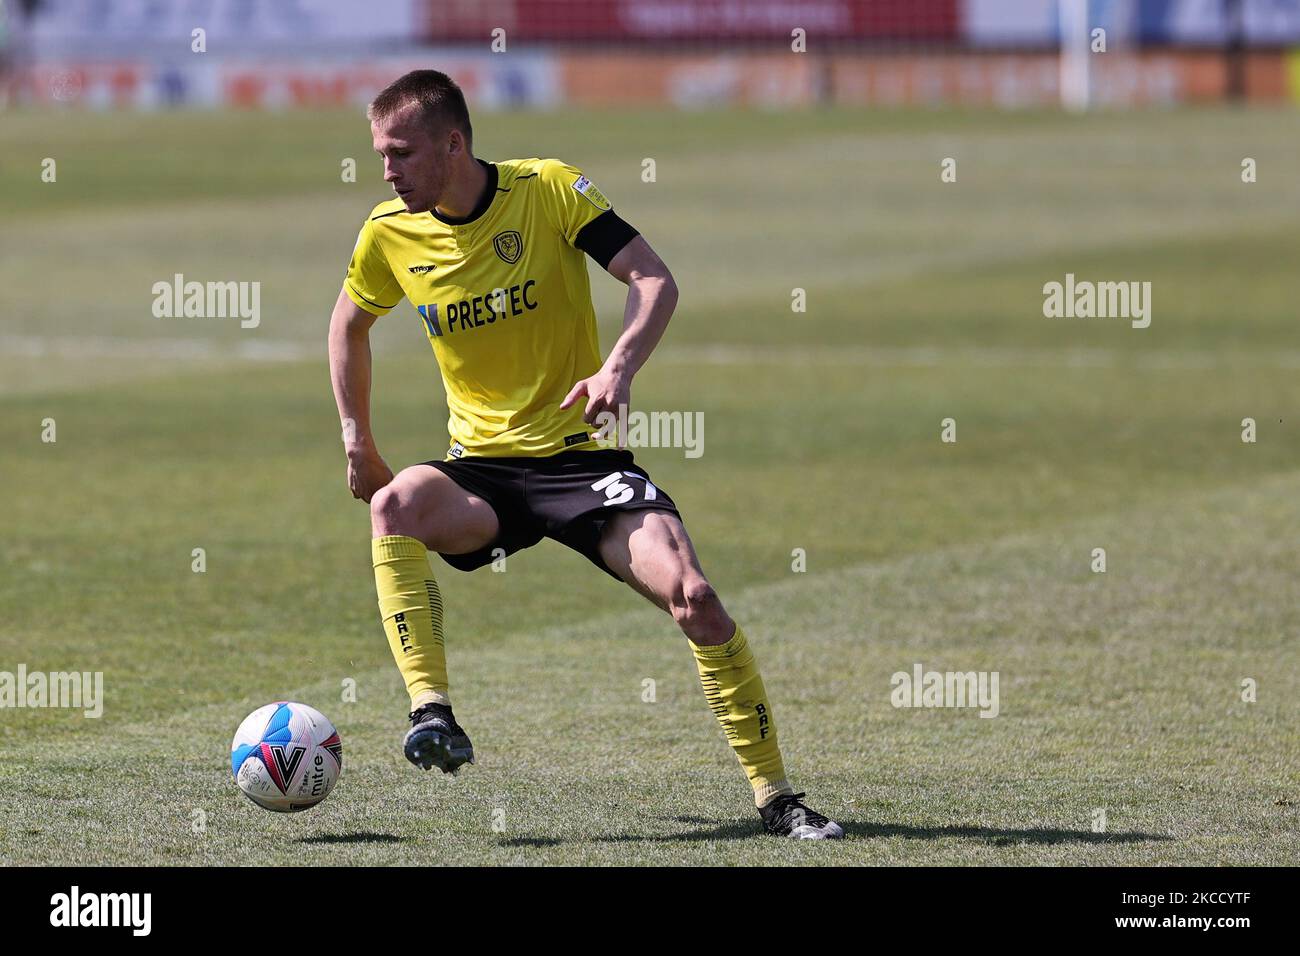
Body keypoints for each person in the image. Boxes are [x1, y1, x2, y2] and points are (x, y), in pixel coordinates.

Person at [327, 70, 842, 839]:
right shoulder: (389, 232)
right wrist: (357, 438)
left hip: (581, 463)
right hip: (483, 472)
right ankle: (432, 712)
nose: (388, 171)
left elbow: (653, 279)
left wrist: (618, 366)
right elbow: (348, 326)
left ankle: (776, 797)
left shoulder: (548, 190)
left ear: (454, 144)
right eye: (380, 156)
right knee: (394, 503)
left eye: (400, 152)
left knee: (696, 600)